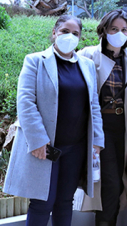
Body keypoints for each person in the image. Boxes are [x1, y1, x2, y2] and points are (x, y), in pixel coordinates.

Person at [4, 15, 103, 226]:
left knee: (65, 202)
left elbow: (94, 104)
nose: (70, 36)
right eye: (65, 31)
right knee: (42, 203)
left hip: (75, 148)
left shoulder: (86, 65)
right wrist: (38, 140)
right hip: (46, 147)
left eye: (75, 33)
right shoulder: (35, 61)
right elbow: (26, 102)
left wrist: (97, 140)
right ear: (54, 32)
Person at [77, 10, 127, 225]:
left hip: (120, 128)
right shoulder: (87, 55)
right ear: (104, 30)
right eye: (114, 29)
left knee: (115, 183)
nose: (119, 34)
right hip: (97, 127)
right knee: (110, 182)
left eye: (123, 30)